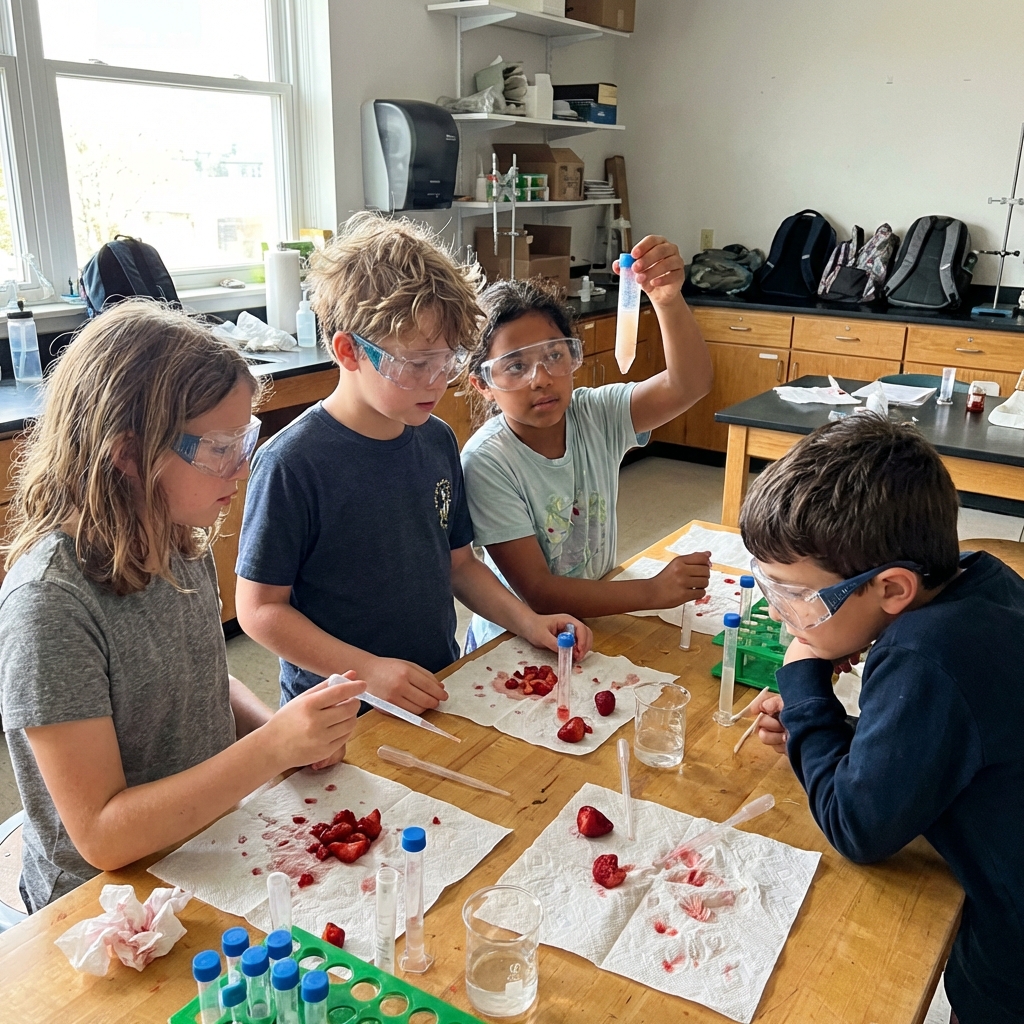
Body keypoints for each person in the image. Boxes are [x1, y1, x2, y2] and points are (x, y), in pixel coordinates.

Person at [0, 301, 366, 913]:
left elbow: (201, 674)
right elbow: (100, 833)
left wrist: (279, 730)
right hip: (109, 904)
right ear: (128, 456)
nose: (243, 466)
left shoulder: (177, 536)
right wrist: (271, 749)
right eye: (220, 447)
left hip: (206, 844)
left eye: (244, 439)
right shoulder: (49, 604)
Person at [235, 214, 591, 713]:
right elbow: (259, 611)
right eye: (416, 364)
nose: (436, 382)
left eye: (446, 361)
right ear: (348, 351)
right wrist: (369, 671)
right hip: (341, 710)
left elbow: (460, 565)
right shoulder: (292, 464)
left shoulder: (437, 440)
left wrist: (527, 620)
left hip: (438, 681)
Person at [738, 414, 1024, 1024]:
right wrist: (827, 733)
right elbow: (924, 748)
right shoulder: (978, 579)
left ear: (892, 588)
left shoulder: (926, 654)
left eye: (793, 593)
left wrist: (805, 677)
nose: (780, 609)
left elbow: (858, 827)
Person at [460, 236, 714, 649]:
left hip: (598, 611)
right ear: (483, 385)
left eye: (554, 355)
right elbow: (538, 592)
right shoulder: (488, 461)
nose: (540, 378)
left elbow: (689, 384)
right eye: (516, 366)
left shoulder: (595, 414)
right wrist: (653, 592)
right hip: (515, 640)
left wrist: (666, 301)